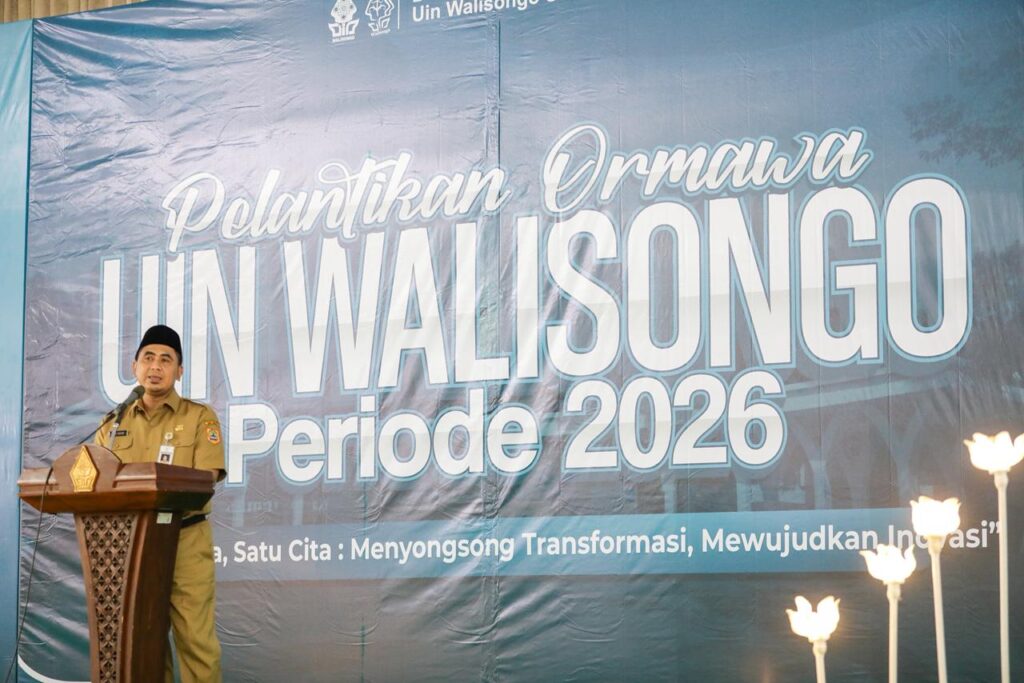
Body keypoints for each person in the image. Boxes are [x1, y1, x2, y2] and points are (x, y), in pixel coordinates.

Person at [95, 324, 224, 683]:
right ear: (134, 366)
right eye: (148, 358)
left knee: (196, 642)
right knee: (145, 642)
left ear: (179, 371)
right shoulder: (112, 423)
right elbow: (98, 481)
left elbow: (207, 478)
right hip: (130, 546)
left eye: (166, 360)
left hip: (184, 540)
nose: (155, 366)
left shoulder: (199, 418)